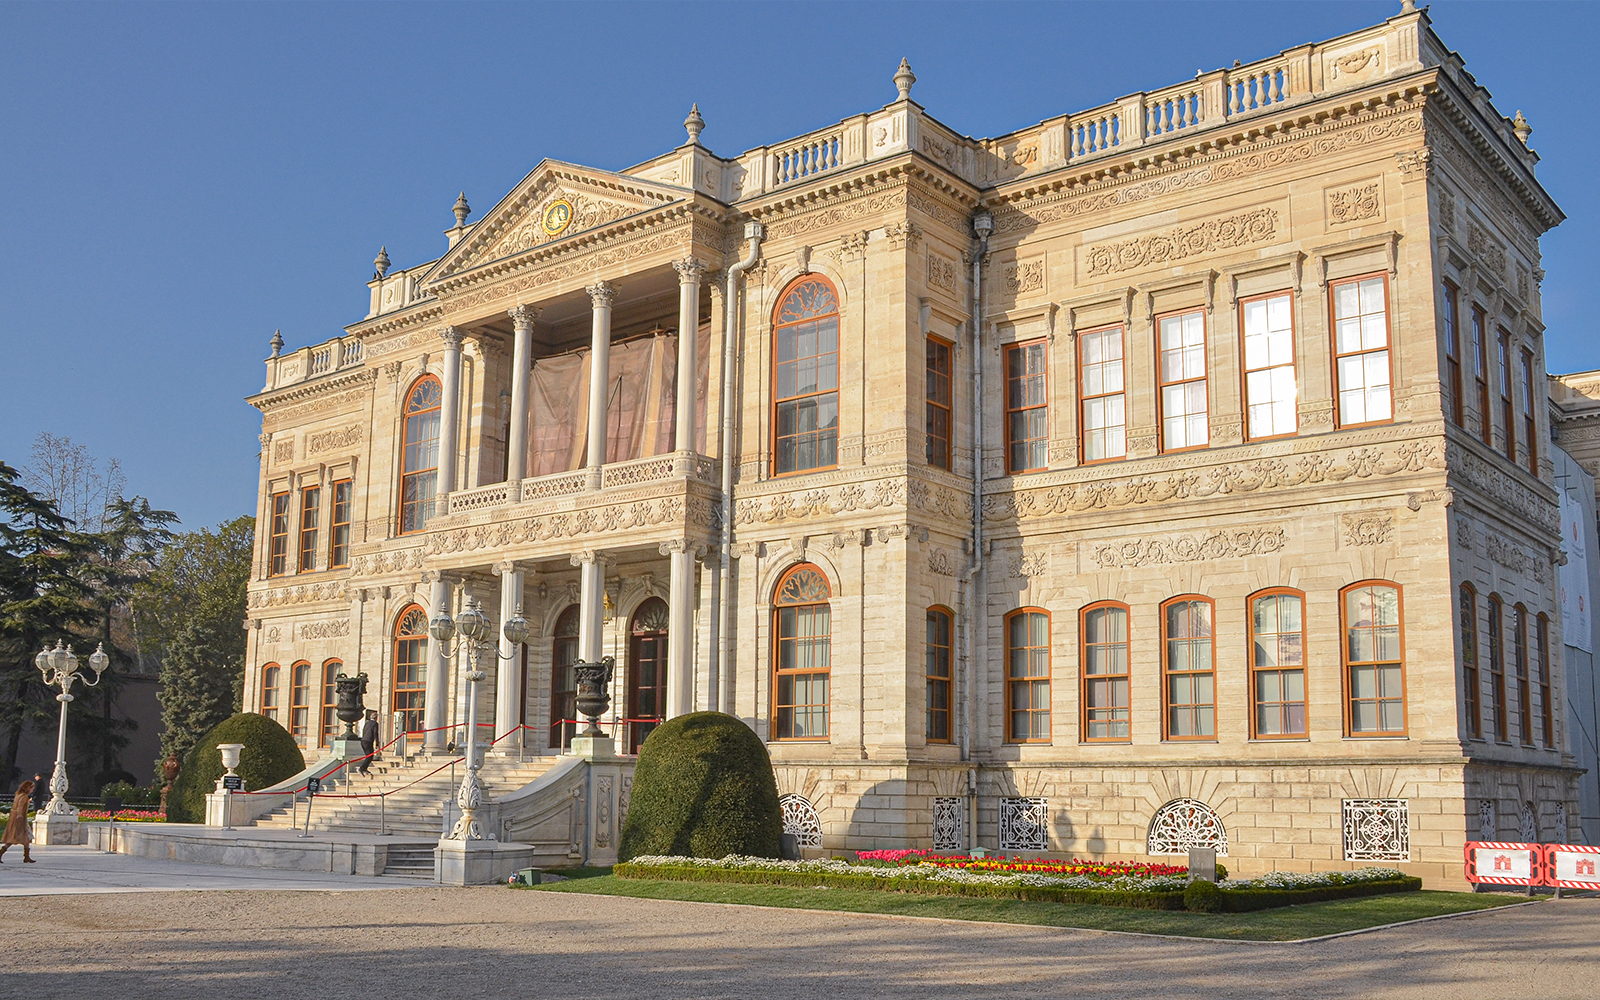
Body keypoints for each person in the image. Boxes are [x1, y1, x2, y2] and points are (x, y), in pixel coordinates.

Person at [2, 780, 35, 863]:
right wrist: (20, 814)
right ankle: (26, 856)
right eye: (32, 788)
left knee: (22, 838)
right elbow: (20, 806)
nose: (32, 790)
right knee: (17, 837)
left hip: (15, 817)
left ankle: (26, 856)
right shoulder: (24, 796)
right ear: (28, 788)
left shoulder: (18, 794)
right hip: (20, 819)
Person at [358, 710, 379, 776]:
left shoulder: (367, 723)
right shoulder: (375, 724)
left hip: (363, 741)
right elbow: (375, 733)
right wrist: (377, 742)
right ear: (376, 718)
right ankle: (362, 768)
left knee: (368, 755)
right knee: (370, 756)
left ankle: (364, 768)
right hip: (368, 741)